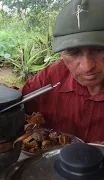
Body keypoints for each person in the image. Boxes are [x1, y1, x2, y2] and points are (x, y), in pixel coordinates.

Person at [21, 0, 104, 143]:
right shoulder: (51, 77)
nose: (87, 67)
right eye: (72, 52)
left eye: (99, 49)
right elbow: (16, 104)